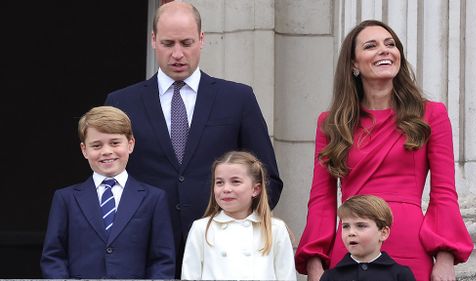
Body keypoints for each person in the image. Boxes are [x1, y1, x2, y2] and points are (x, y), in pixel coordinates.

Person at [104, 2, 282, 276]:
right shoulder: (121, 102)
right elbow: (108, 177)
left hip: (222, 252)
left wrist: (239, 226)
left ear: (201, 39)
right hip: (145, 250)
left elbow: (267, 177)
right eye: (168, 43)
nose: (177, 54)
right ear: (153, 40)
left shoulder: (237, 98)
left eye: (186, 43)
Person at [295, 20, 473, 281]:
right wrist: (314, 262)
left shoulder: (431, 114)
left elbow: (444, 193)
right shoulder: (331, 122)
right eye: (371, 46)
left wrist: (445, 257)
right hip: (351, 247)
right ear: (354, 64)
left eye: (390, 44)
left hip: (409, 243)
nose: (385, 50)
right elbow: (321, 198)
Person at [40, 106, 175, 279]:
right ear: (84, 150)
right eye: (96, 145)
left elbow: (162, 260)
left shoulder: (154, 198)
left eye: (115, 143)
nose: (106, 151)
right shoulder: (65, 198)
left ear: (131, 144)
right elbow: (53, 256)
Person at [181, 151, 296, 280]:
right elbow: (190, 276)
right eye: (219, 182)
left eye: (235, 181)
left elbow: (287, 276)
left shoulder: (275, 228)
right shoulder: (201, 228)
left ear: (255, 189)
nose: (226, 189)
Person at [320, 194, 415, 281]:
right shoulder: (330, 276)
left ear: (383, 233)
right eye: (346, 226)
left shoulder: (401, 275)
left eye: (361, 226)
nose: (351, 232)